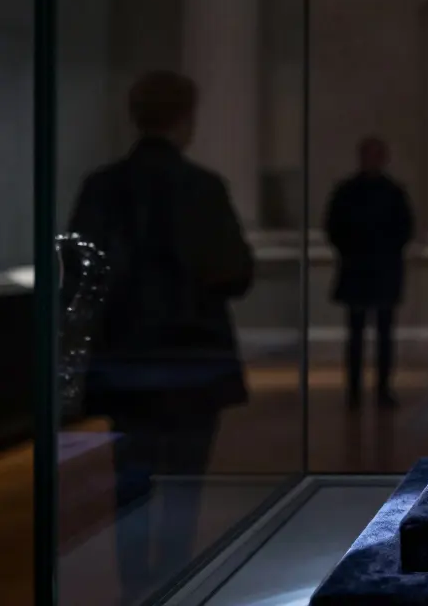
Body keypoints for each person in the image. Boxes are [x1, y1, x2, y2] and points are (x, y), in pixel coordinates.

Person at [68, 70, 253, 603]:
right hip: (193, 361)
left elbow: (83, 279)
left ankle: (134, 590)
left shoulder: (101, 187)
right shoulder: (202, 188)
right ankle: (174, 584)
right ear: (185, 118)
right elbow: (235, 272)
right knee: (183, 487)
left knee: (130, 484)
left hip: (124, 362)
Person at [324, 137, 414, 410]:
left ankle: (382, 388)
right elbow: (333, 227)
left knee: (381, 334)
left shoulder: (388, 192)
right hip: (363, 269)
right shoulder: (352, 191)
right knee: (357, 334)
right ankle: (355, 390)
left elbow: (404, 229)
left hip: (374, 269)